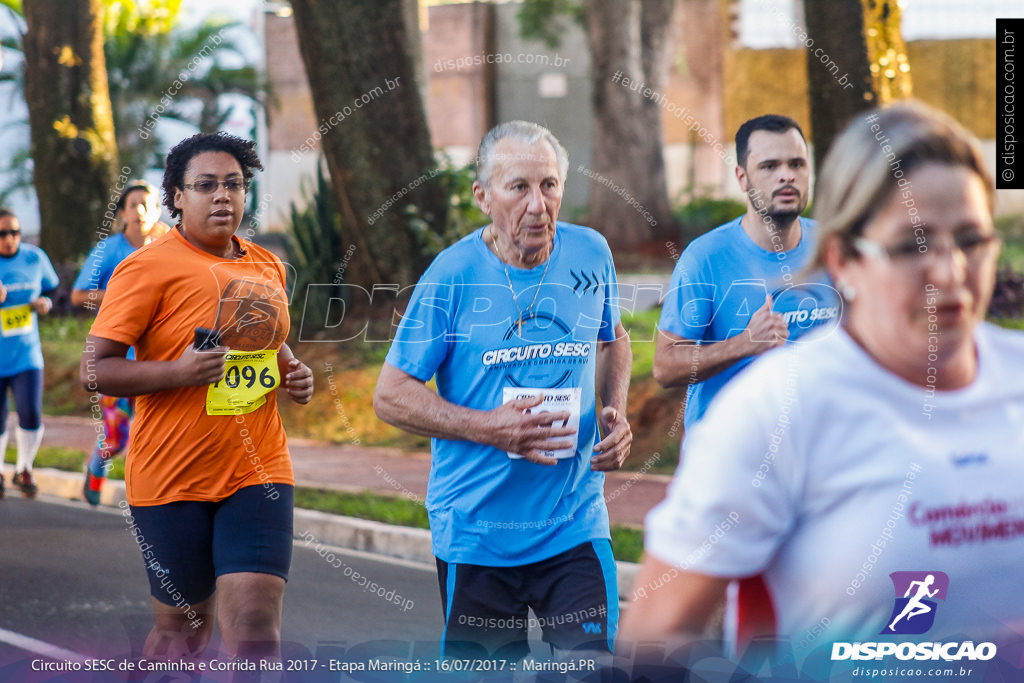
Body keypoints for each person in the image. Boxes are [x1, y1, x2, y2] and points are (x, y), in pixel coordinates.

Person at [619, 102, 1023, 670]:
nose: (950, 271)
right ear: (847, 261)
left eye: (972, 240)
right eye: (913, 245)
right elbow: (652, 646)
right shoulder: (768, 408)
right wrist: (745, 345)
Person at [374, 121, 633, 660]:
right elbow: (390, 393)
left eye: (550, 185)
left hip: (574, 524)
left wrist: (615, 411)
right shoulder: (452, 276)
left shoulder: (590, 254)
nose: (538, 205)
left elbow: (613, 339)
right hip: (476, 532)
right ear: (483, 198)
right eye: (519, 187)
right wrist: (489, 428)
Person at [81, 133, 313, 666]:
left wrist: (293, 372)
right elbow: (95, 369)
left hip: (258, 470)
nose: (222, 196)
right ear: (177, 198)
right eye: (206, 185)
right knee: (184, 636)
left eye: (234, 184)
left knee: (256, 624)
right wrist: (177, 372)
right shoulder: (146, 266)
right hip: (171, 477)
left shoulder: (267, 266)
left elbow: (268, 342)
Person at [653, 114, 838, 431]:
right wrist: (744, 343)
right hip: (730, 459)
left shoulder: (834, 249)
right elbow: (665, 367)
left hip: (815, 455)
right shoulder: (705, 258)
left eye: (797, 164)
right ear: (742, 178)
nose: (786, 176)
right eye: (769, 166)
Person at [71, 180, 169, 505]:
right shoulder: (109, 250)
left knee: (157, 432)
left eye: (147, 204)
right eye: (133, 205)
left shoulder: (170, 244)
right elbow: (78, 295)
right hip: (115, 358)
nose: (140, 211)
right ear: (123, 213)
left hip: (161, 357)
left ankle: (150, 498)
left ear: (158, 210)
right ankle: (97, 468)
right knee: (117, 437)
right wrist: (123, 295)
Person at [0, 209, 57, 498]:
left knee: (30, 412)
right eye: (2, 234)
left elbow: (54, 289)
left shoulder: (34, 257)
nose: (10, 239)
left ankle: (24, 469)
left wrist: (45, 302)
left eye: (15, 232)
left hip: (26, 353)